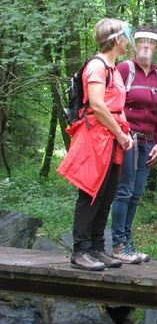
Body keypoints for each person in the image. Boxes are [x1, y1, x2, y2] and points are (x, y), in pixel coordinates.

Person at [57, 18, 134, 271]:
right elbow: (99, 106)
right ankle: (80, 250)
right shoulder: (97, 66)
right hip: (96, 139)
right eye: (125, 36)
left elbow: (116, 107)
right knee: (91, 193)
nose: (128, 41)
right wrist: (120, 134)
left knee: (108, 193)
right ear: (116, 40)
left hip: (111, 140)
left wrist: (125, 132)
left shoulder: (115, 69)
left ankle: (97, 248)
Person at [110, 25, 157, 264]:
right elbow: (113, 102)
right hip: (127, 140)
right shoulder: (125, 69)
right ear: (135, 44)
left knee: (136, 194)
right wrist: (123, 134)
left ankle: (128, 243)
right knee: (124, 192)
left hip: (147, 143)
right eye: (141, 41)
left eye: (150, 43)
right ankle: (118, 244)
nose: (145, 46)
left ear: (156, 47)